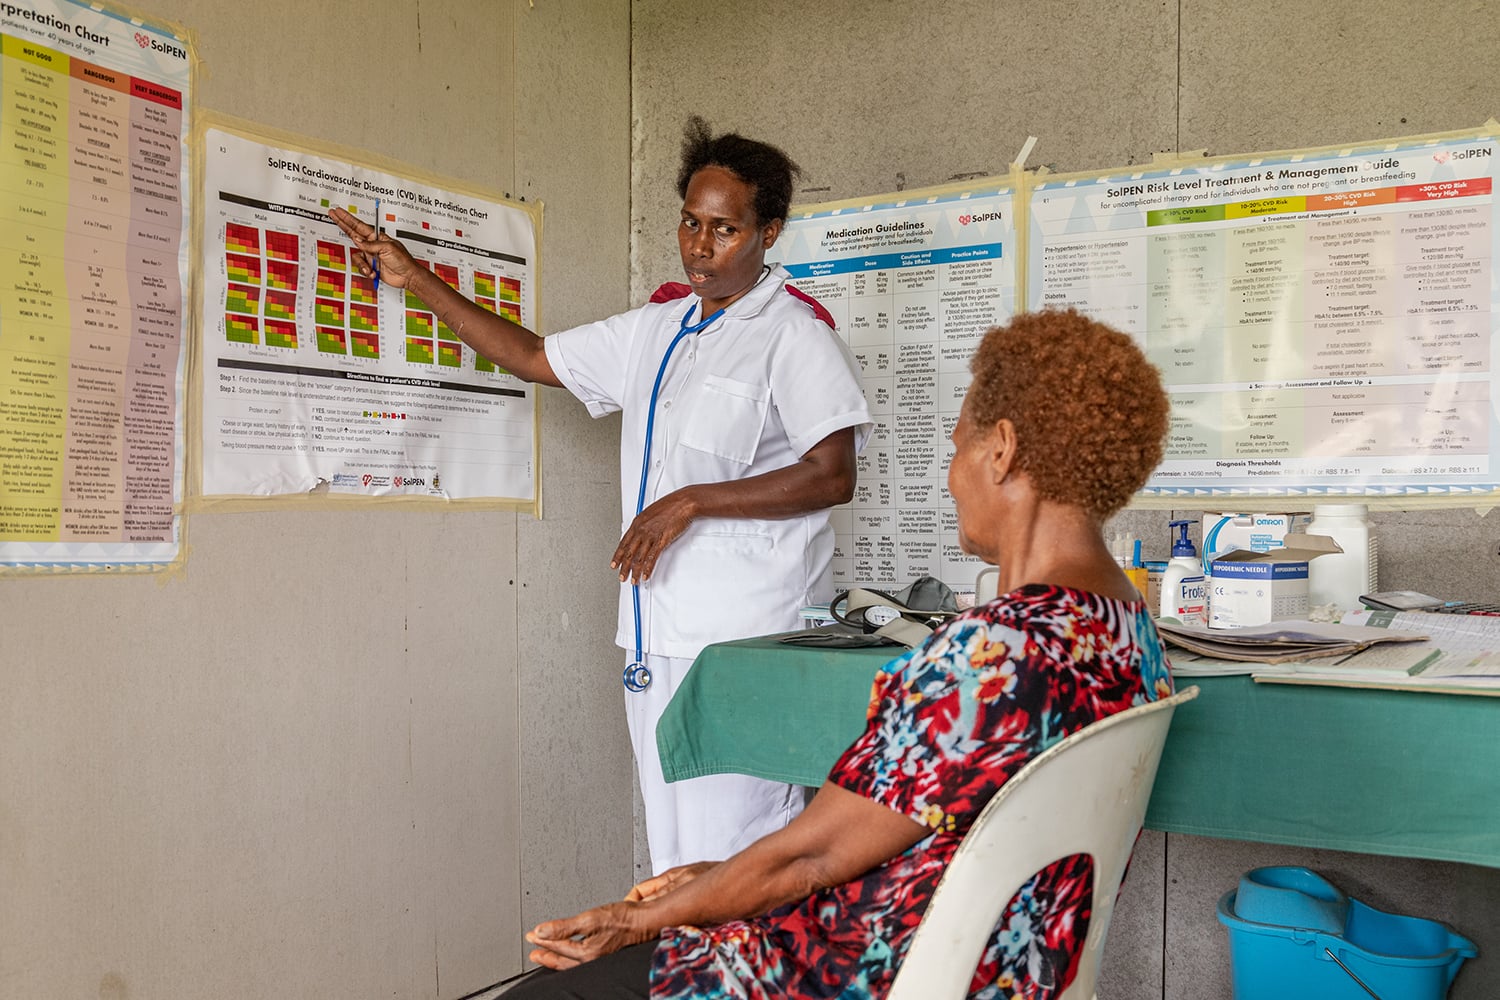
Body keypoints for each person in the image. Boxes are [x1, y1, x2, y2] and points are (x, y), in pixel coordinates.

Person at [503, 308, 1175, 1000]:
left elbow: (811, 858)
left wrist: (639, 918)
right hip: (1005, 970)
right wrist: (712, 876)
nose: (951, 477)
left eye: (956, 449)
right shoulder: (1129, 634)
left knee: (546, 994)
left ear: (1000, 450)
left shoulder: (992, 654)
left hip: (861, 971)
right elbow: (913, 838)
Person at [330, 118, 871, 875]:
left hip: (750, 644)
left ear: (768, 233)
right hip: (656, 633)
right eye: (690, 222)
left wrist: (691, 502)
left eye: (724, 229)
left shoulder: (793, 336)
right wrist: (413, 278)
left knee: (740, 859)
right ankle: (692, 991)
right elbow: (532, 356)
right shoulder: (658, 328)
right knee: (673, 858)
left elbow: (832, 474)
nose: (699, 246)